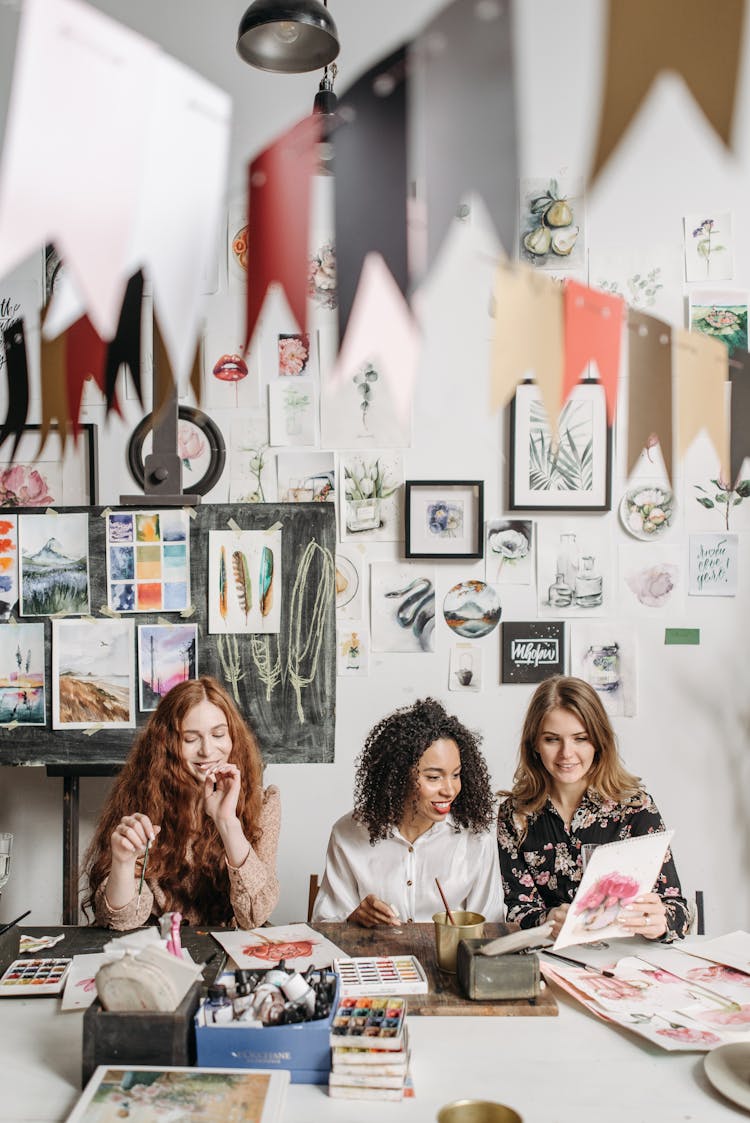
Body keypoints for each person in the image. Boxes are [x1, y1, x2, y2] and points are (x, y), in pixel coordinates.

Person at [497, 676, 689, 942]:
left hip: (625, 959)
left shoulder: (636, 808)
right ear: (534, 744)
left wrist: (661, 922)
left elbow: (678, 910)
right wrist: (546, 918)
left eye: (580, 738)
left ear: (598, 741)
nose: (567, 753)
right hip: (550, 959)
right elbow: (517, 910)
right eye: (552, 739)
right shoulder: (514, 815)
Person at [82, 676, 280, 930]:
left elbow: (255, 915)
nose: (208, 751)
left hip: (228, 951)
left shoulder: (263, 803)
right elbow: (121, 920)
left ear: (233, 737)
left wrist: (227, 822)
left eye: (218, 734)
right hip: (156, 950)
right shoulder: (140, 797)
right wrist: (122, 862)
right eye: (190, 739)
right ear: (167, 744)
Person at [312, 697, 504, 925]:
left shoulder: (476, 837)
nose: (450, 790)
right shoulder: (348, 833)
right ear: (398, 777)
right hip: (375, 959)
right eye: (434, 777)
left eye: (456, 774)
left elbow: (491, 926)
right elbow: (325, 925)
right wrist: (352, 919)